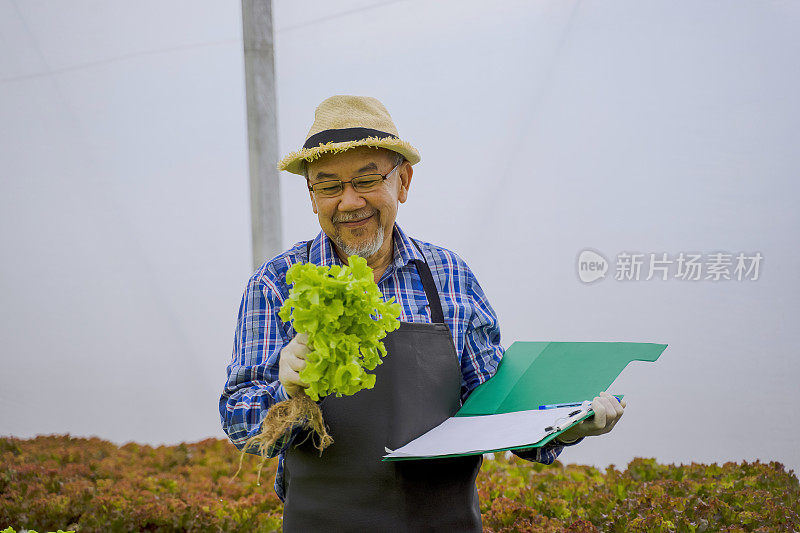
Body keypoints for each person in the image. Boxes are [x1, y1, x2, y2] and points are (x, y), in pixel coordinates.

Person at [220, 95, 626, 531]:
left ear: (404, 182)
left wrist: (566, 425)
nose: (349, 201)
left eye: (367, 178)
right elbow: (239, 422)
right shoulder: (276, 285)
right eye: (329, 185)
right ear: (312, 196)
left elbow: (495, 411)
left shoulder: (450, 274)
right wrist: (286, 392)